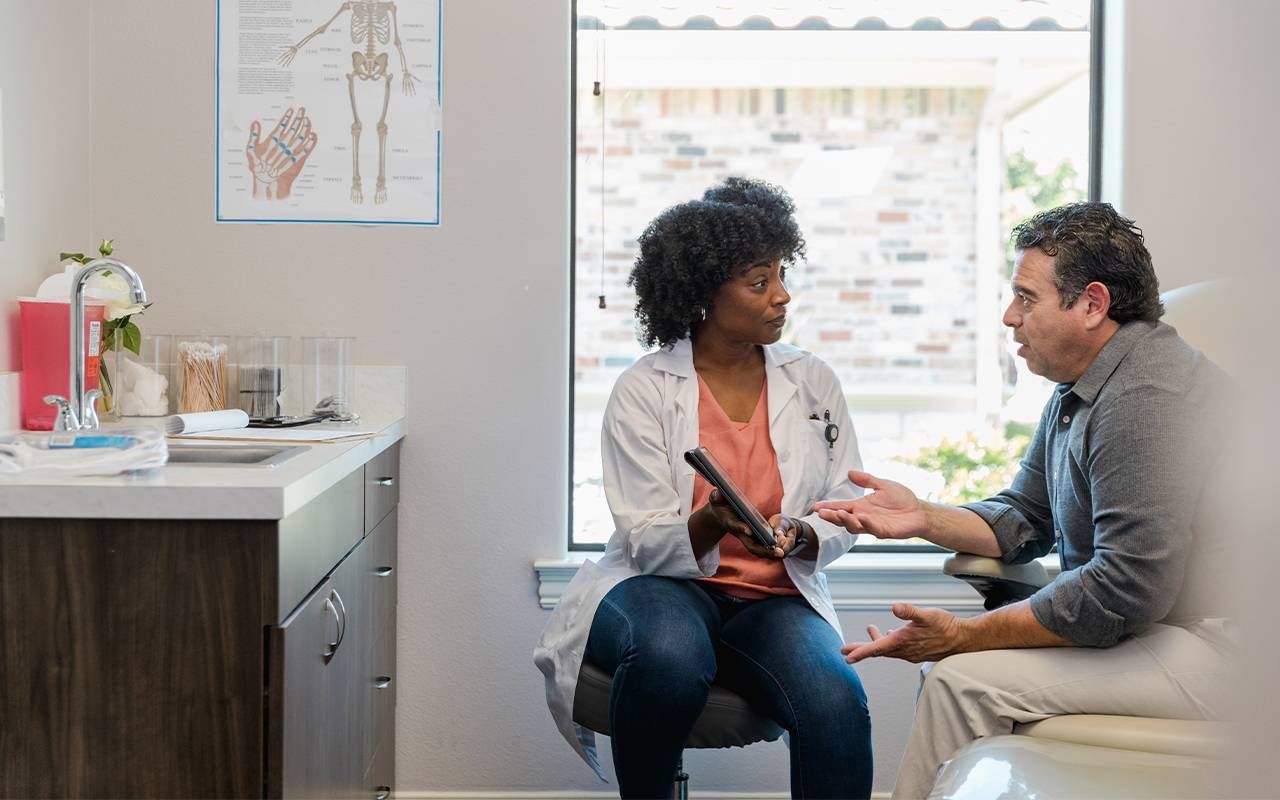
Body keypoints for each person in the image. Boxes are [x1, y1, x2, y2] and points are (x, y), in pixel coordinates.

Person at [815, 202, 1234, 799]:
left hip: (1230, 651)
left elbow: (1125, 589)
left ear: (1092, 304)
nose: (1010, 317)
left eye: (1026, 298)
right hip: (1171, 629)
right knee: (957, 675)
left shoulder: (1145, 396)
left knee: (961, 681)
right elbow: (1027, 516)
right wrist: (922, 517)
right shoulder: (1084, 385)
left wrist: (967, 634)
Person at [535, 177, 874, 798]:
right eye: (759, 282)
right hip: (662, 588)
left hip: (774, 598)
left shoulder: (812, 381)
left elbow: (843, 504)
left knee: (834, 696)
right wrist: (712, 520)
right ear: (702, 294)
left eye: (780, 275)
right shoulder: (645, 389)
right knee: (668, 659)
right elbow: (644, 539)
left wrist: (802, 532)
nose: (782, 295)